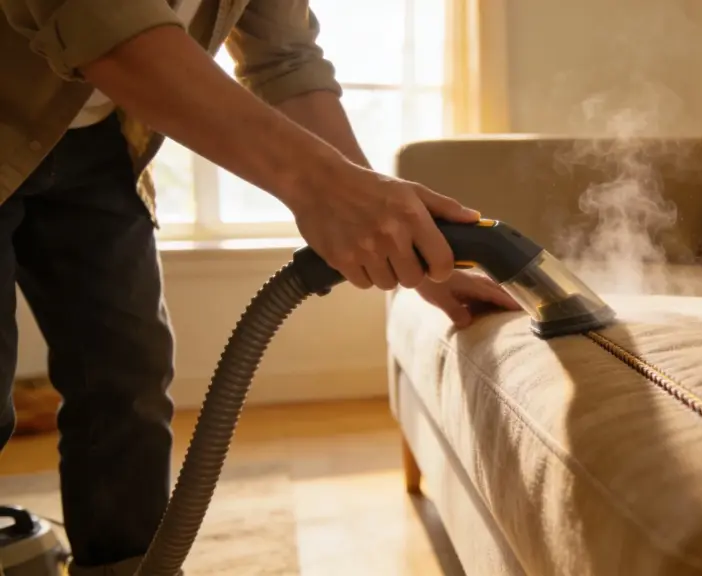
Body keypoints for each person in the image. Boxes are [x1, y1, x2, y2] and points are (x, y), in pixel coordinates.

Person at [0, 1, 519, 574]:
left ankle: (126, 566)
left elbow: (285, 58)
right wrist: (321, 185)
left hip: (96, 143)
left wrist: (413, 251)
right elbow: (106, 23)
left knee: (126, 377)